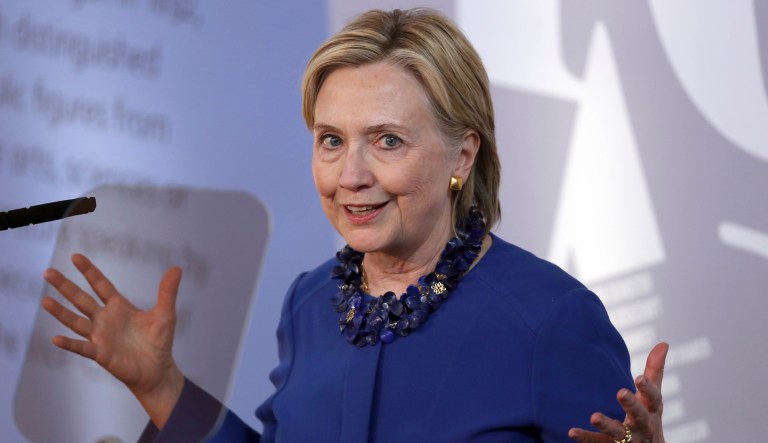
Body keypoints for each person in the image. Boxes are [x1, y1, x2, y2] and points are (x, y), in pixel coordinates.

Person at [41, 8, 667, 443]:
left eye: (388, 140)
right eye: (332, 140)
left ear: (463, 154)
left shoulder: (549, 318)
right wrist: (162, 386)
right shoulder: (311, 303)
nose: (351, 175)